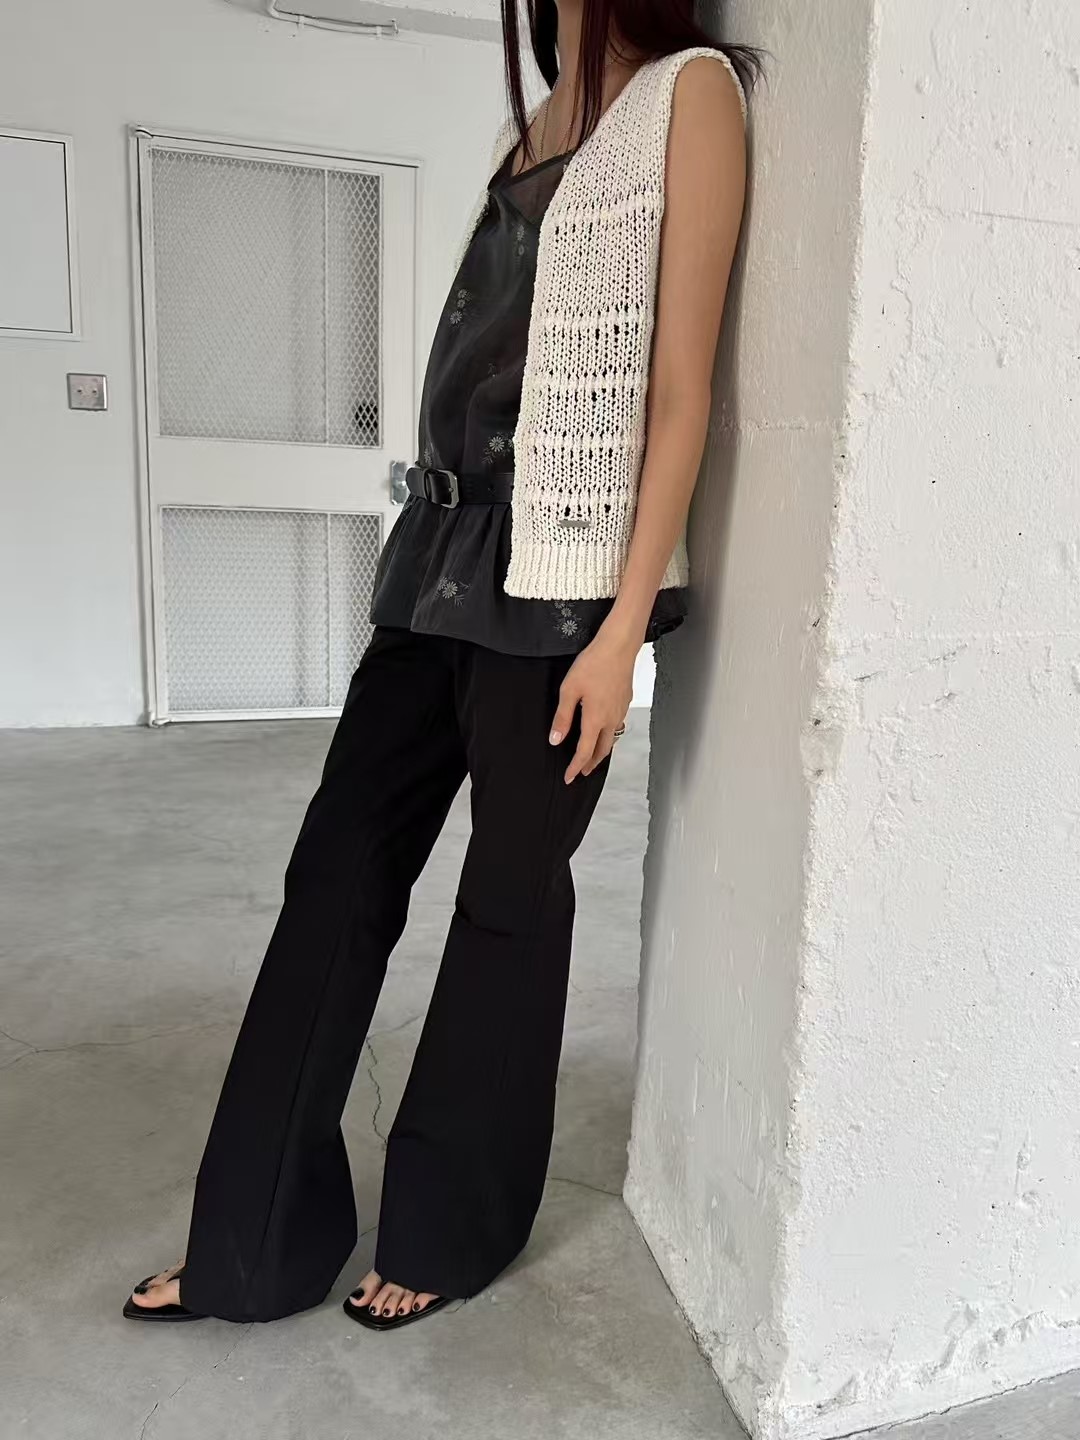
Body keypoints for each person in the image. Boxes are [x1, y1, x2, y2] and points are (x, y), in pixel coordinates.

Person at [124, 0, 756, 1331]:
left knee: (507, 902)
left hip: (561, 589)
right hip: (439, 561)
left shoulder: (692, 94)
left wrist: (622, 632)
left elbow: (680, 393)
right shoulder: (536, 124)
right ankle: (253, 1245)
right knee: (336, 874)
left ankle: (447, 1226)